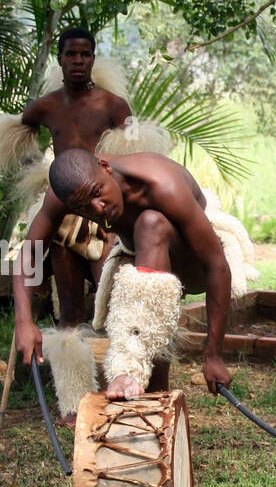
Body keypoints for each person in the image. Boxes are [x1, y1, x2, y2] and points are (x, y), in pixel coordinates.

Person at [0, 28, 171, 416]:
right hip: (64, 215)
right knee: (71, 312)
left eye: (85, 54)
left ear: (93, 59)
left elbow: (135, 155)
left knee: (115, 302)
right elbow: (20, 130)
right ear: (60, 60)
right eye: (71, 55)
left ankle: (131, 383)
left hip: (103, 215)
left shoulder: (112, 105)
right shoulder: (45, 108)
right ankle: (74, 402)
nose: (78, 61)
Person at [14, 148, 232, 400]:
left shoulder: (161, 184)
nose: (98, 208)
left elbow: (217, 265)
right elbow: (29, 253)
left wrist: (214, 354)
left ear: (106, 167)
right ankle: (154, 403)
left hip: (192, 264)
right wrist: (23, 320)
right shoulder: (66, 196)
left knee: (151, 224)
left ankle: (128, 372)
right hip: (141, 257)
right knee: (136, 282)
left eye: (98, 193)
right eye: (84, 207)